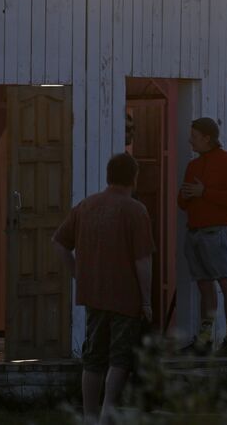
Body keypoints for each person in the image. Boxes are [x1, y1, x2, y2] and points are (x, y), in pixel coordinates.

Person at [52, 153, 155, 425]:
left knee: (93, 357)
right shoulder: (136, 210)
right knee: (119, 358)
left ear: (109, 175)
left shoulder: (86, 206)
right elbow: (142, 260)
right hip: (126, 297)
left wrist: (78, 274)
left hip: (93, 295)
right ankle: (108, 412)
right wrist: (146, 301)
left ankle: (88, 416)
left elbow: (60, 243)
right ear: (134, 177)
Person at [177, 117, 227, 356]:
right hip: (194, 233)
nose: (190, 140)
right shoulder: (193, 166)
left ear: (208, 138)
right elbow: (181, 202)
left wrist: (204, 192)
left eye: (194, 136)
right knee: (204, 286)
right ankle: (205, 339)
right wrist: (188, 194)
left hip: (217, 233)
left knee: (226, 282)